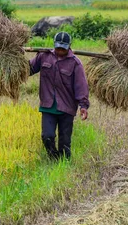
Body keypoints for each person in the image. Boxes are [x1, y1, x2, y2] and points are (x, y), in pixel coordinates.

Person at [29, 31, 89, 161]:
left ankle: (65, 163)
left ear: (69, 46)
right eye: (58, 47)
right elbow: (28, 69)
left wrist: (83, 106)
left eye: (63, 48)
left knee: (65, 141)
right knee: (47, 136)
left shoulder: (75, 63)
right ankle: (53, 159)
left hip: (66, 108)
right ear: (54, 45)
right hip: (48, 106)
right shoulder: (43, 57)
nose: (60, 50)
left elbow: (81, 85)